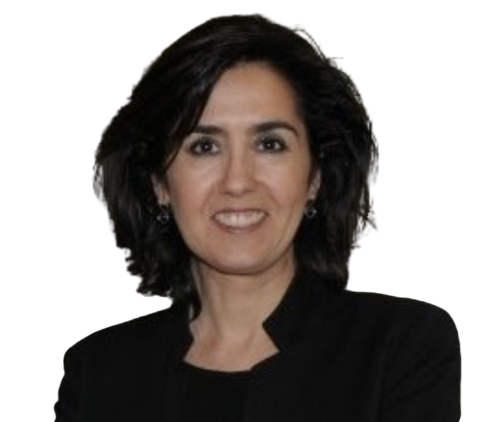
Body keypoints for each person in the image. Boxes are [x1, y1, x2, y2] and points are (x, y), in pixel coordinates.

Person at [55, 14, 461, 421]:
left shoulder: (400, 348)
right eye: (204, 147)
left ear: (315, 177)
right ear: (159, 184)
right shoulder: (96, 375)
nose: (237, 181)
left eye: (270, 144)